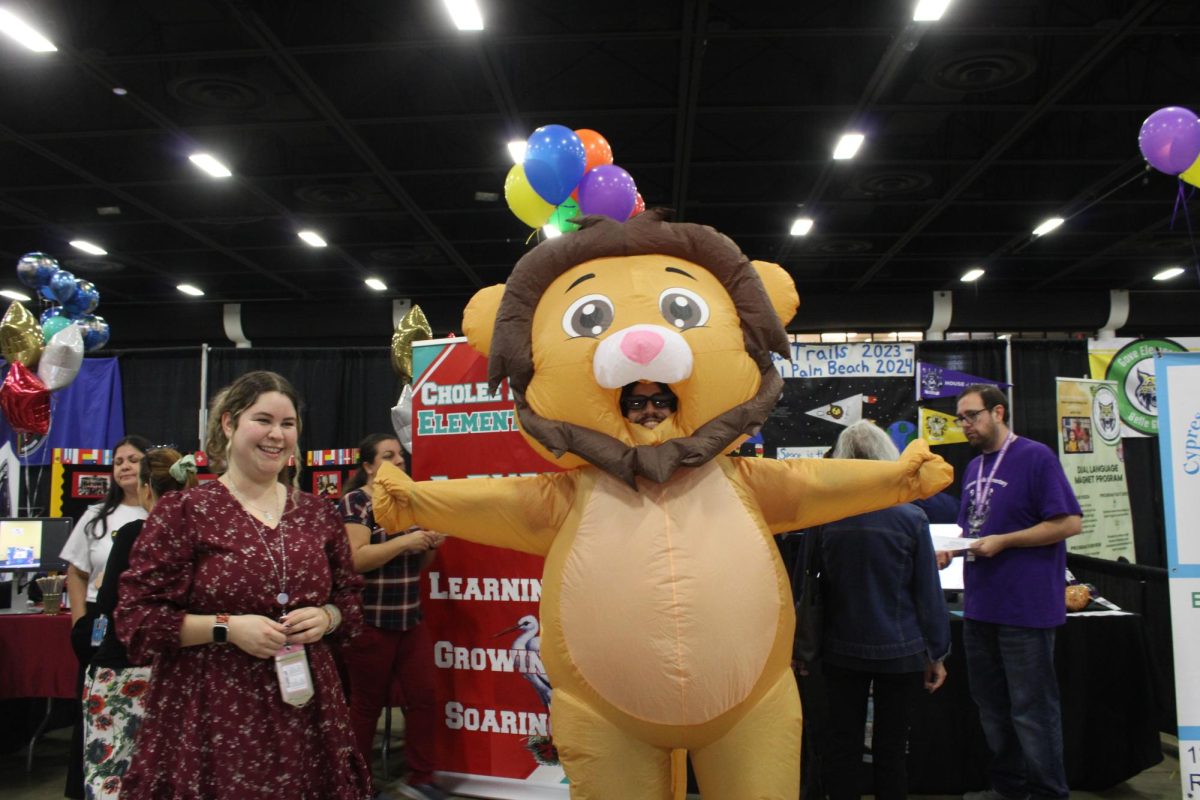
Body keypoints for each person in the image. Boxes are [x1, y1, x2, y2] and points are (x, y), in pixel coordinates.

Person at [115, 371, 371, 799]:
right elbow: (137, 620)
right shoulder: (186, 511)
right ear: (229, 424)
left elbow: (350, 601)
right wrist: (227, 627)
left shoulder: (316, 514)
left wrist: (327, 617)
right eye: (263, 420)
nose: (277, 435)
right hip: (213, 713)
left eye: (288, 424)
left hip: (307, 713)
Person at [941, 384, 1082, 800]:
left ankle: (1047, 792)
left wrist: (1005, 541)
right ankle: (1009, 789)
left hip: (1026, 609)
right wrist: (953, 550)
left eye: (972, 416)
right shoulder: (973, 468)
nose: (964, 425)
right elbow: (974, 531)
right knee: (993, 709)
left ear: (998, 411)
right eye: (960, 418)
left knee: (1032, 711)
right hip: (981, 606)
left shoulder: (1035, 457)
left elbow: (1068, 523)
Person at [807, 421, 949, 800]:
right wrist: (936, 652)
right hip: (901, 652)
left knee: (843, 746)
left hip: (841, 649)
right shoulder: (912, 518)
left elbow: (812, 589)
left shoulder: (826, 519)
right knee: (891, 750)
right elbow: (927, 594)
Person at [83, 447, 199, 799]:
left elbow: (109, 605)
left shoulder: (135, 533)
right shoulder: (201, 538)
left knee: (112, 771)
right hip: (181, 670)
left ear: (147, 487)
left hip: (125, 668)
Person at [341, 434, 446, 800]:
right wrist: (405, 541)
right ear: (368, 466)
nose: (400, 461)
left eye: (400, 454)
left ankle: (421, 779)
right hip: (370, 622)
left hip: (409, 618)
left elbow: (420, 564)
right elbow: (356, 558)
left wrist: (430, 544)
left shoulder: (408, 501)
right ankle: (358, 784)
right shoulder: (356, 502)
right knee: (365, 706)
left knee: (424, 697)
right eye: (389, 456)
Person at [59, 434, 152, 800]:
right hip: (100, 624)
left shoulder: (161, 511)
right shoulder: (97, 517)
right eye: (119, 461)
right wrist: (80, 622)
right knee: (97, 713)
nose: (125, 466)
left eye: (133, 460)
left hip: (142, 624)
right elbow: (77, 572)